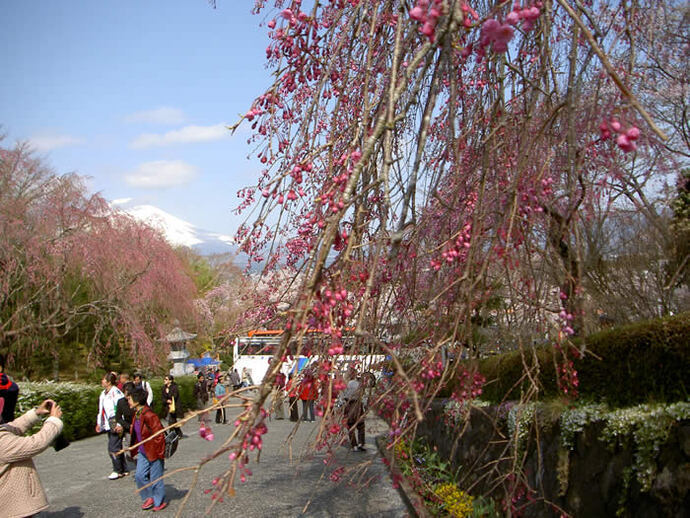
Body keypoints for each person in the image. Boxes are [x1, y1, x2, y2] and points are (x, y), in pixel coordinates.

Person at [0, 377, 64, 518]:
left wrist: (35, 414)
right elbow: (36, 443)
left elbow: (10, 428)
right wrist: (53, 420)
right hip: (12, 509)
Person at [128, 387, 167, 512]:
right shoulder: (137, 414)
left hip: (154, 452)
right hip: (143, 451)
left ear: (137, 400)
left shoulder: (149, 415)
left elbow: (160, 435)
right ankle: (149, 496)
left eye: (130, 398)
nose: (128, 400)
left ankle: (159, 501)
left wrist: (160, 454)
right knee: (139, 476)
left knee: (156, 478)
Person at [96, 372, 128, 478]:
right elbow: (101, 410)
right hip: (107, 421)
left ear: (109, 382)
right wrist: (99, 423)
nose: (102, 381)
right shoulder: (103, 393)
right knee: (117, 445)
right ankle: (123, 468)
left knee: (113, 447)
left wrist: (120, 424)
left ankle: (117, 470)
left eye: (103, 380)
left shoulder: (116, 393)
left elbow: (121, 409)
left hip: (115, 420)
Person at [341, 372, 368, 452]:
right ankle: (361, 443)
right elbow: (363, 397)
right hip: (358, 406)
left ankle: (354, 445)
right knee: (361, 426)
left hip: (349, 406)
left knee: (350, 427)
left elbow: (343, 397)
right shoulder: (359, 385)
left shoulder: (346, 385)